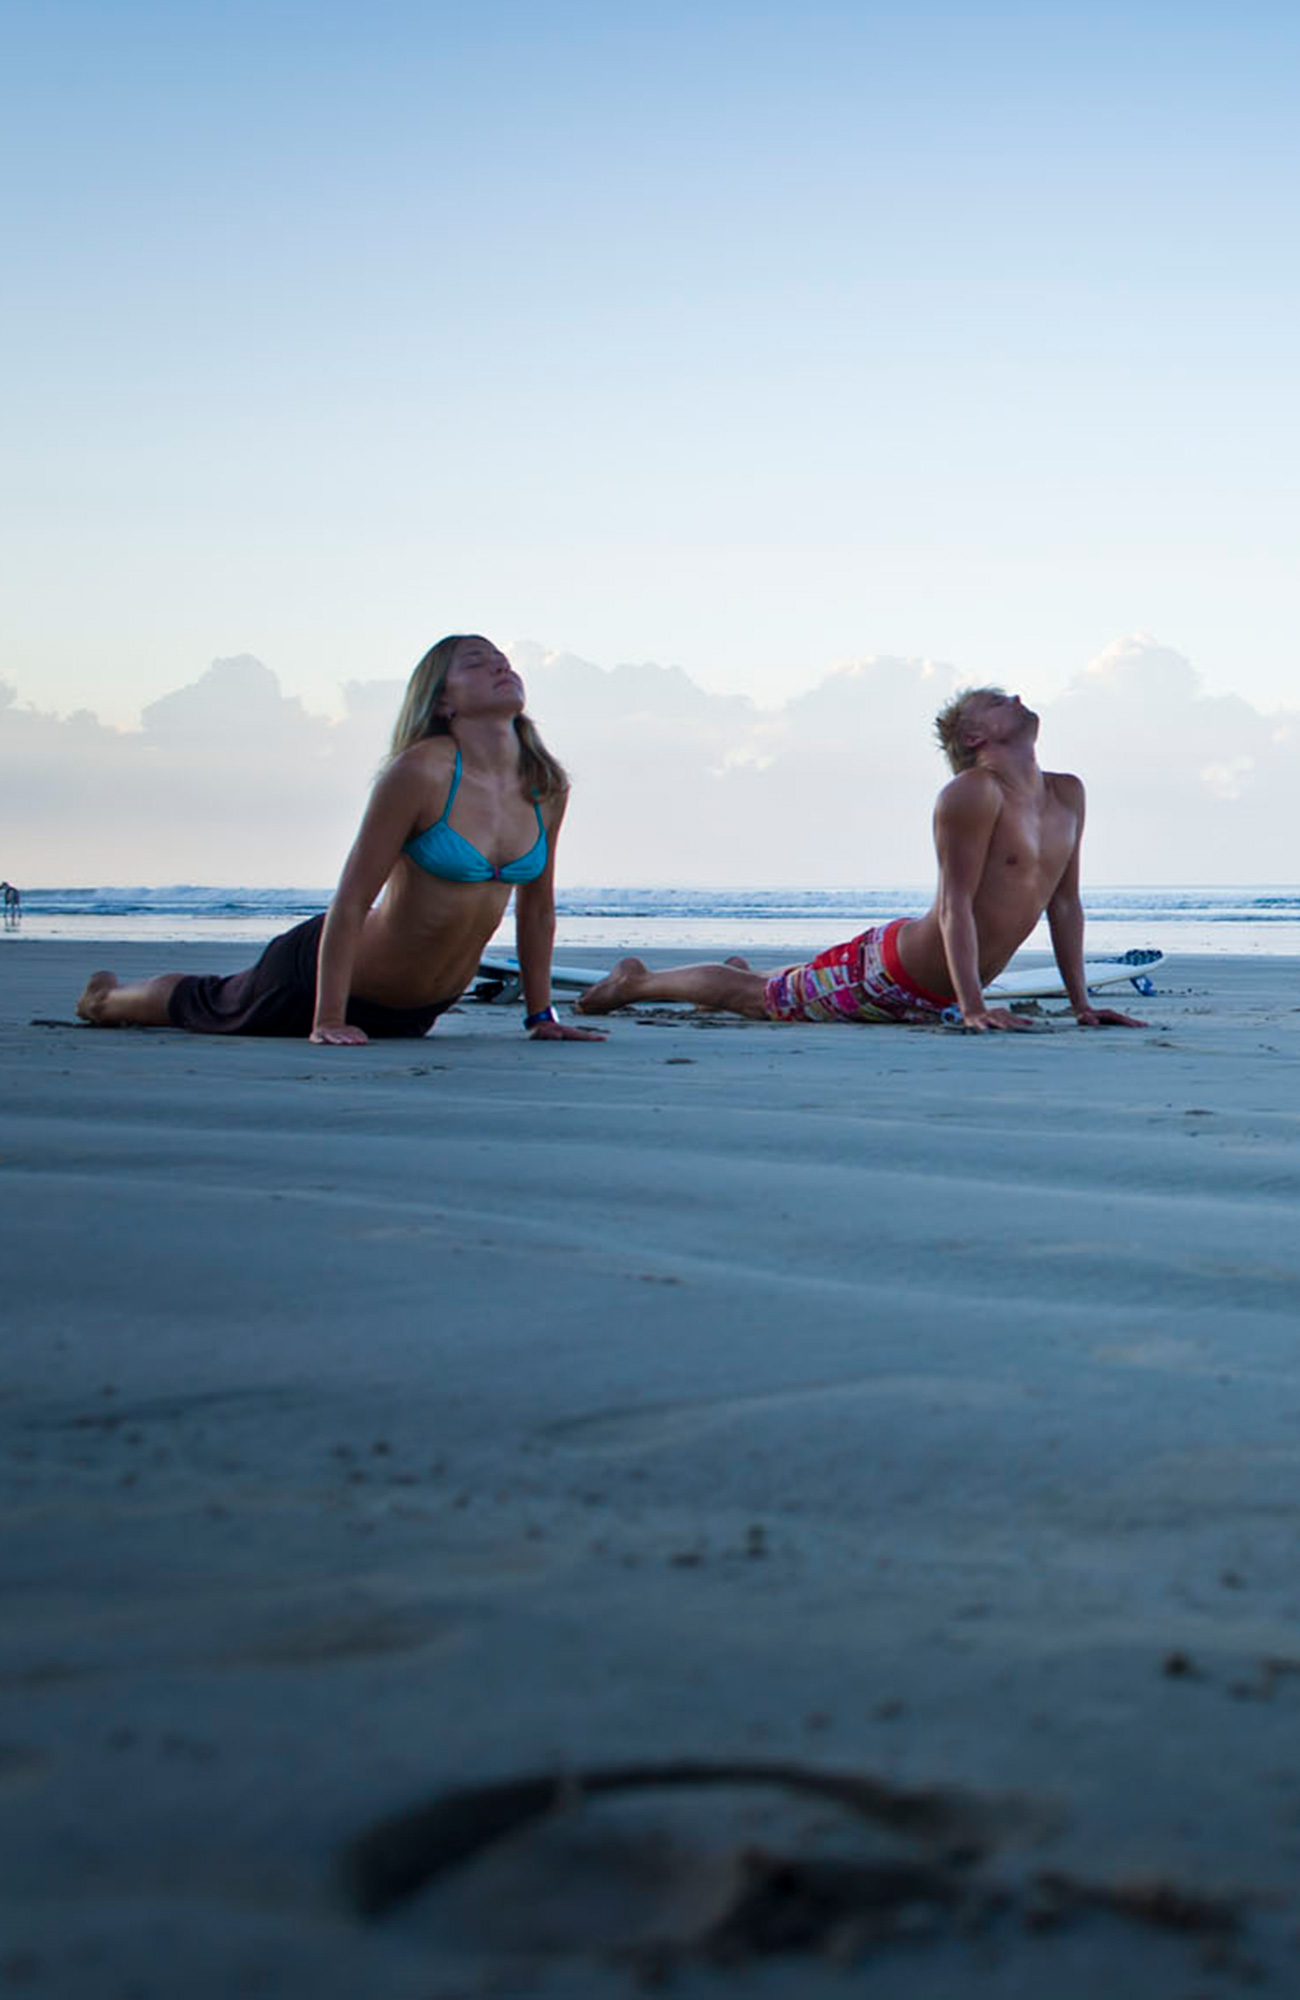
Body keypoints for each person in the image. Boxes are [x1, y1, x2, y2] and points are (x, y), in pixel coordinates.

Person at [77, 636, 604, 1046]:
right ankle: (105, 999)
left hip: (415, 1013)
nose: (499, 665)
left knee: (218, 998)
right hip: (325, 981)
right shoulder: (419, 772)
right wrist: (327, 1017)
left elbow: (536, 909)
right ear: (443, 701)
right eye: (475, 661)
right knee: (208, 1002)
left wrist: (542, 1016)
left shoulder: (544, 784)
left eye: (502, 659)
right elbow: (351, 901)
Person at [576, 687, 1146, 1035]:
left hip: (937, 988)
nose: (1018, 699)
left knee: (792, 986)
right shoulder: (975, 793)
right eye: (999, 702)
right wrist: (973, 1008)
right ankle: (632, 984)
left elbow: (1064, 904)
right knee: (754, 1001)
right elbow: (955, 906)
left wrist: (1082, 1005)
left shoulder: (1067, 792)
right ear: (975, 735)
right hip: (896, 975)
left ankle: (735, 973)